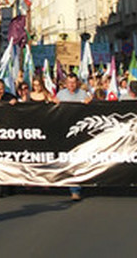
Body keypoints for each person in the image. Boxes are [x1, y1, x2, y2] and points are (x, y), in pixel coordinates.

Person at [54, 73, 90, 202]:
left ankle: (76, 189)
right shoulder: (61, 95)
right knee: (67, 160)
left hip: (79, 133)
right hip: (64, 131)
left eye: (74, 82)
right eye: (69, 83)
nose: (71, 85)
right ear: (65, 83)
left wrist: (89, 103)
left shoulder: (83, 94)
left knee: (78, 160)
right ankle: (69, 186)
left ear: (77, 83)